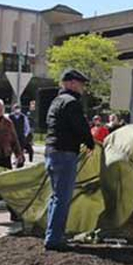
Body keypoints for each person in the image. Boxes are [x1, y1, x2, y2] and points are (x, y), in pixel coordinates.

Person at [44, 69, 94, 251]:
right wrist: (90, 143)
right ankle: (54, 239)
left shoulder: (56, 101)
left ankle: (51, 234)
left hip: (51, 152)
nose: (82, 87)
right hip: (65, 153)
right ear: (71, 83)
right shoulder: (72, 103)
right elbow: (80, 127)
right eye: (80, 83)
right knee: (62, 198)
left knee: (55, 197)